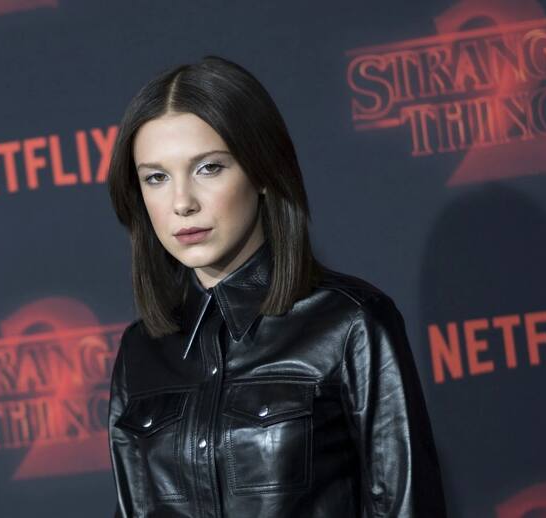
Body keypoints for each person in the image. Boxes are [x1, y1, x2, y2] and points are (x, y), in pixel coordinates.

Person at [106, 55, 447, 518]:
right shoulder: (141, 350)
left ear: (263, 172)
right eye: (157, 178)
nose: (182, 202)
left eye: (209, 168)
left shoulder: (350, 323)